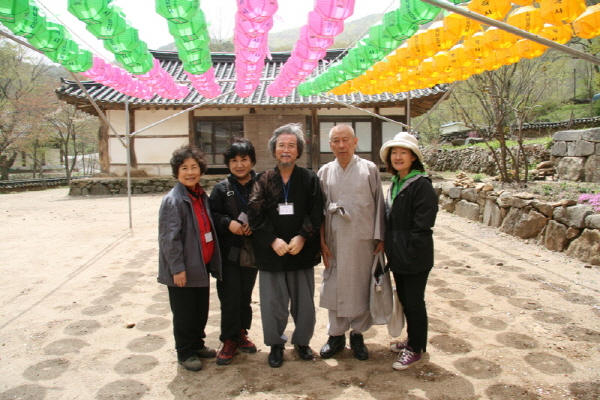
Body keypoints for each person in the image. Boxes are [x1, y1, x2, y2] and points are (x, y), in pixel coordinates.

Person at [248, 123, 323, 368]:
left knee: (304, 303)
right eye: (282, 145)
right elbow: (255, 213)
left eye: (292, 145)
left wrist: (302, 236)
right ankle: (276, 344)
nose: (287, 150)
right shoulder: (263, 179)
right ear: (274, 150)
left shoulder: (310, 178)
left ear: (299, 151)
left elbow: (316, 212)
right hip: (272, 253)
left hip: (301, 251)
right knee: (272, 304)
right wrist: (272, 239)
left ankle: (302, 342)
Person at [317, 124, 385, 361]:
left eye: (345, 140)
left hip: (363, 241)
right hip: (334, 241)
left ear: (355, 142)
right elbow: (318, 212)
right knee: (335, 286)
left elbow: (379, 206)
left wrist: (380, 238)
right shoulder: (324, 172)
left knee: (360, 285)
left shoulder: (369, 169)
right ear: (330, 145)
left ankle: (358, 334)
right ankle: (335, 336)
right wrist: (322, 242)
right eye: (336, 141)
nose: (341, 145)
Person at [158, 145, 222, 371]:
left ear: (201, 170)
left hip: (200, 265)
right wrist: (177, 268)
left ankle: (197, 344)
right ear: (177, 172)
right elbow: (169, 238)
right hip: (183, 269)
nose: (190, 172)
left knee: (199, 309)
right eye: (184, 168)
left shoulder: (199, 195)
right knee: (184, 313)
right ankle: (185, 352)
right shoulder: (173, 200)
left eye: (194, 167)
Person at [379, 132, 438, 370]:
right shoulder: (396, 182)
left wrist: (411, 252)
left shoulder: (421, 185)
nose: (398, 156)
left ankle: (416, 348)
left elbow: (423, 224)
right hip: (398, 255)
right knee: (404, 299)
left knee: (414, 301)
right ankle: (412, 341)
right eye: (394, 152)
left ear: (413, 157)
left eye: (403, 152)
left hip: (414, 256)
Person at [208, 138, 259, 365]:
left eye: (244, 159)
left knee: (245, 296)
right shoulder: (220, 189)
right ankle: (228, 339)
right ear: (228, 164)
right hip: (228, 252)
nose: (239, 165)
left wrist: (255, 225)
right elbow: (212, 215)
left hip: (252, 252)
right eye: (234, 161)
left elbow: (269, 212)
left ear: (252, 161)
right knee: (229, 296)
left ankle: (241, 332)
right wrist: (228, 223)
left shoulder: (262, 184)